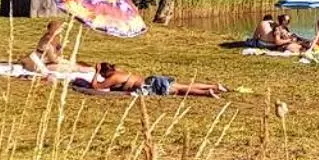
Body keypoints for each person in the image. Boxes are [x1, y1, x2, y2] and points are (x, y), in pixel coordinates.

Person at [77, 62, 227, 97]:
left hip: (150, 86)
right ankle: (213, 86)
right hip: (152, 79)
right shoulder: (119, 72)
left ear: (105, 72)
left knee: (181, 90)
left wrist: (96, 73)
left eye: (103, 74)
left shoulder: (114, 77)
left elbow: (96, 87)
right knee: (183, 85)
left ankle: (207, 93)